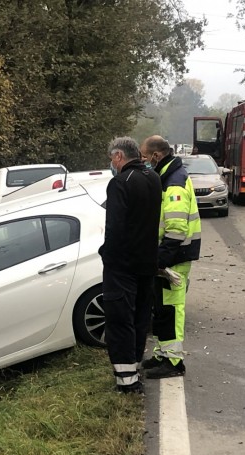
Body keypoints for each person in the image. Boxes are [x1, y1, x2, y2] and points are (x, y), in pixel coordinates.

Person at [99, 136, 162, 394]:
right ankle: (134, 368)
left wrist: (107, 255)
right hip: (147, 263)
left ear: (118, 157)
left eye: (111, 159)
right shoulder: (154, 178)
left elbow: (114, 228)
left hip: (122, 265)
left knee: (119, 320)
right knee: (139, 318)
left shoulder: (119, 183)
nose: (112, 163)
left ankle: (126, 382)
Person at [140, 136, 201, 378]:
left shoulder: (174, 183)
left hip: (175, 255)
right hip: (170, 254)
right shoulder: (168, 176)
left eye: (145, 157)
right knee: (162, 308)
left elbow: (176, 228)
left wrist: (161, 259)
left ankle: (174, 363)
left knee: (172, 308)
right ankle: (162, 354)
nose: (144, 161)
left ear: (156, 155)